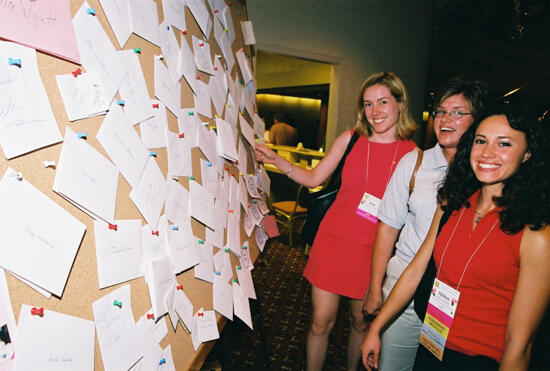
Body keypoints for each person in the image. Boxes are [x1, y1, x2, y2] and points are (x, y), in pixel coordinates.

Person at [361, 103, 550, 371]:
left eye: (504, 144)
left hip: (480, 361)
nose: (487, 153)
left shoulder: (536, 234)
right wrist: (375, 329)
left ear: (528, 154)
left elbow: (521, 343)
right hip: (432, 343)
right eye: (481, 141)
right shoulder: (451, 204)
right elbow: (416, 270)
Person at [254, 72, 417, 370]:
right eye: (368, 104)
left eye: (383, 102)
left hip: (374, 253)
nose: (375, 111)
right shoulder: (351, 139)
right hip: (332, 242)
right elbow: (315, 177)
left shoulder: (413, 155)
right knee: (319, 323)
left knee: (359, 323)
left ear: (400, 103)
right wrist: (277, 160)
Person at [362, 78, 495, 370]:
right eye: (441, 111)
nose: (446, 119)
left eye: (458, 112)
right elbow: (388, 227)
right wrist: (375, 287)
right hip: (404, 284)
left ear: (478, 121)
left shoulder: (488, 174)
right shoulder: (415, 163)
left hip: (452, 294)